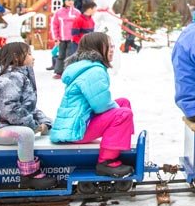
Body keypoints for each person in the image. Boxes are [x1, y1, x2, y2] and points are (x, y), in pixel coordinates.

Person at [50, 32, 135, 178]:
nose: (112, 49)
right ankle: (106, 162)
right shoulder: (93, 71)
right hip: (76, 129)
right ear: (96, 48)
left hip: (79, 122)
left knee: (123, 103)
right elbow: (101, 106)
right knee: (123, 113)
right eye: (108, 46)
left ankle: (120, 142)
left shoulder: (87, 66)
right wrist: (119, 113)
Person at [0, 42, 55, 189]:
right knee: (26, 134)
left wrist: (44, 123)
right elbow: (10, 110)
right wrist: (34, 127)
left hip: (11, 126)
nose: (33, 58)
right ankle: (28, 176)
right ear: (16, 57)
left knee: (51, 127)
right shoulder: (8, 79)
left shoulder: (20, 76)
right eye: (29, 54)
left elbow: (28, 108)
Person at [51, 0, 80, 79]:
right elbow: (55, 25)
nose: (70, 2)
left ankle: (69, 72)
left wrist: (78, 37)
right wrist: (56, 37)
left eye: (72, 0)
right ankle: (59, 72)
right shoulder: (59, 13)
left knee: (70, 55)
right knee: (61, 55)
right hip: (62, 38)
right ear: (64, 1)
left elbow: (80, 25)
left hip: (72, 39)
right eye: (68, 0)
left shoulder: (77, 13)